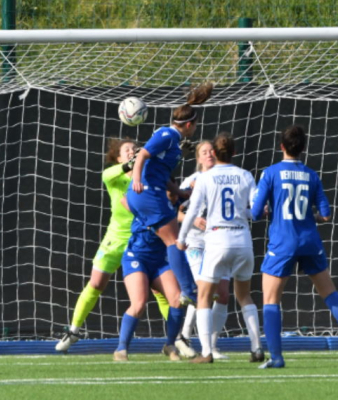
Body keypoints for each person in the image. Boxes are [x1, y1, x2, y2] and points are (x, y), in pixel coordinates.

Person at [55, 138, 170, 352]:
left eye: (135, 149)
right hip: (115, 240)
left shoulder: (147, 176)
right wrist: (134, 161)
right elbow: (107, 174)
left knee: (159, 292)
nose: (132, 152)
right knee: (96, 283)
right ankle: (73, 331)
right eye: (127, 150)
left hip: (141, 240)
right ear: (118, 158)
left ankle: (177, 337)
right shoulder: (112, 177)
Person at [252, 125, 338, 369]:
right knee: (330, 294)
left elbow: (255, 213)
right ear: (303, 148)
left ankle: (276, 358)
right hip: (309, 241)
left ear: (282, 146)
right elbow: (326, 215)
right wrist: (310, 217)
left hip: (283, 242)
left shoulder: (271, 173)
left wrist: (269, 211)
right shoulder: (311, 175)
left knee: (271, 300)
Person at [177, 133, 263, 364]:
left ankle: (206, 351)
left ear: (214, 153)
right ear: (234, 152)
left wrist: (181, 237)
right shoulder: (245, 175)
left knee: (204, 295)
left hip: (217, 240)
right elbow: (256, 211)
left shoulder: (206, 178)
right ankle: (256, 347)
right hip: (243, 240)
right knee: (244, 295)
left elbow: (193, 210)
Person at [127, 84, 214, 305]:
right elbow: (142, 155)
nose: (195, 130)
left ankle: (186, 291)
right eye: (194, 126)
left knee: (172, 240)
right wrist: (136, 180)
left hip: (148, 193)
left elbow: (160, 171)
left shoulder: (174, 140)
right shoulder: (167, 134)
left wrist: (179, 192)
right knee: (175, 241)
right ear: (188, 124)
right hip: (146, 193)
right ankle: (189, 290)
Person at [175, 140, 232, 360]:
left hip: (219, 242)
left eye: (212, 151)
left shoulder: (225, 178)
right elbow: (176, 211)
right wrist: (194, 219)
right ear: (198, 158)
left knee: (224, 294)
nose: (209, 155)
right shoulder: (192, 182)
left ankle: (213, 347)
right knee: (204, 290)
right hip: (196, 243)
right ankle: (186, 336)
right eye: (204, 152)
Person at [113, 210, 184, 362]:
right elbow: (125, 201)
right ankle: (121, 348)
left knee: (177, 299)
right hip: (137, 257)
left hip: (160, 260)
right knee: (139, 304)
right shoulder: (145, 196)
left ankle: (170, 345)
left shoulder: (171, 201)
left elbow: (175, 219)